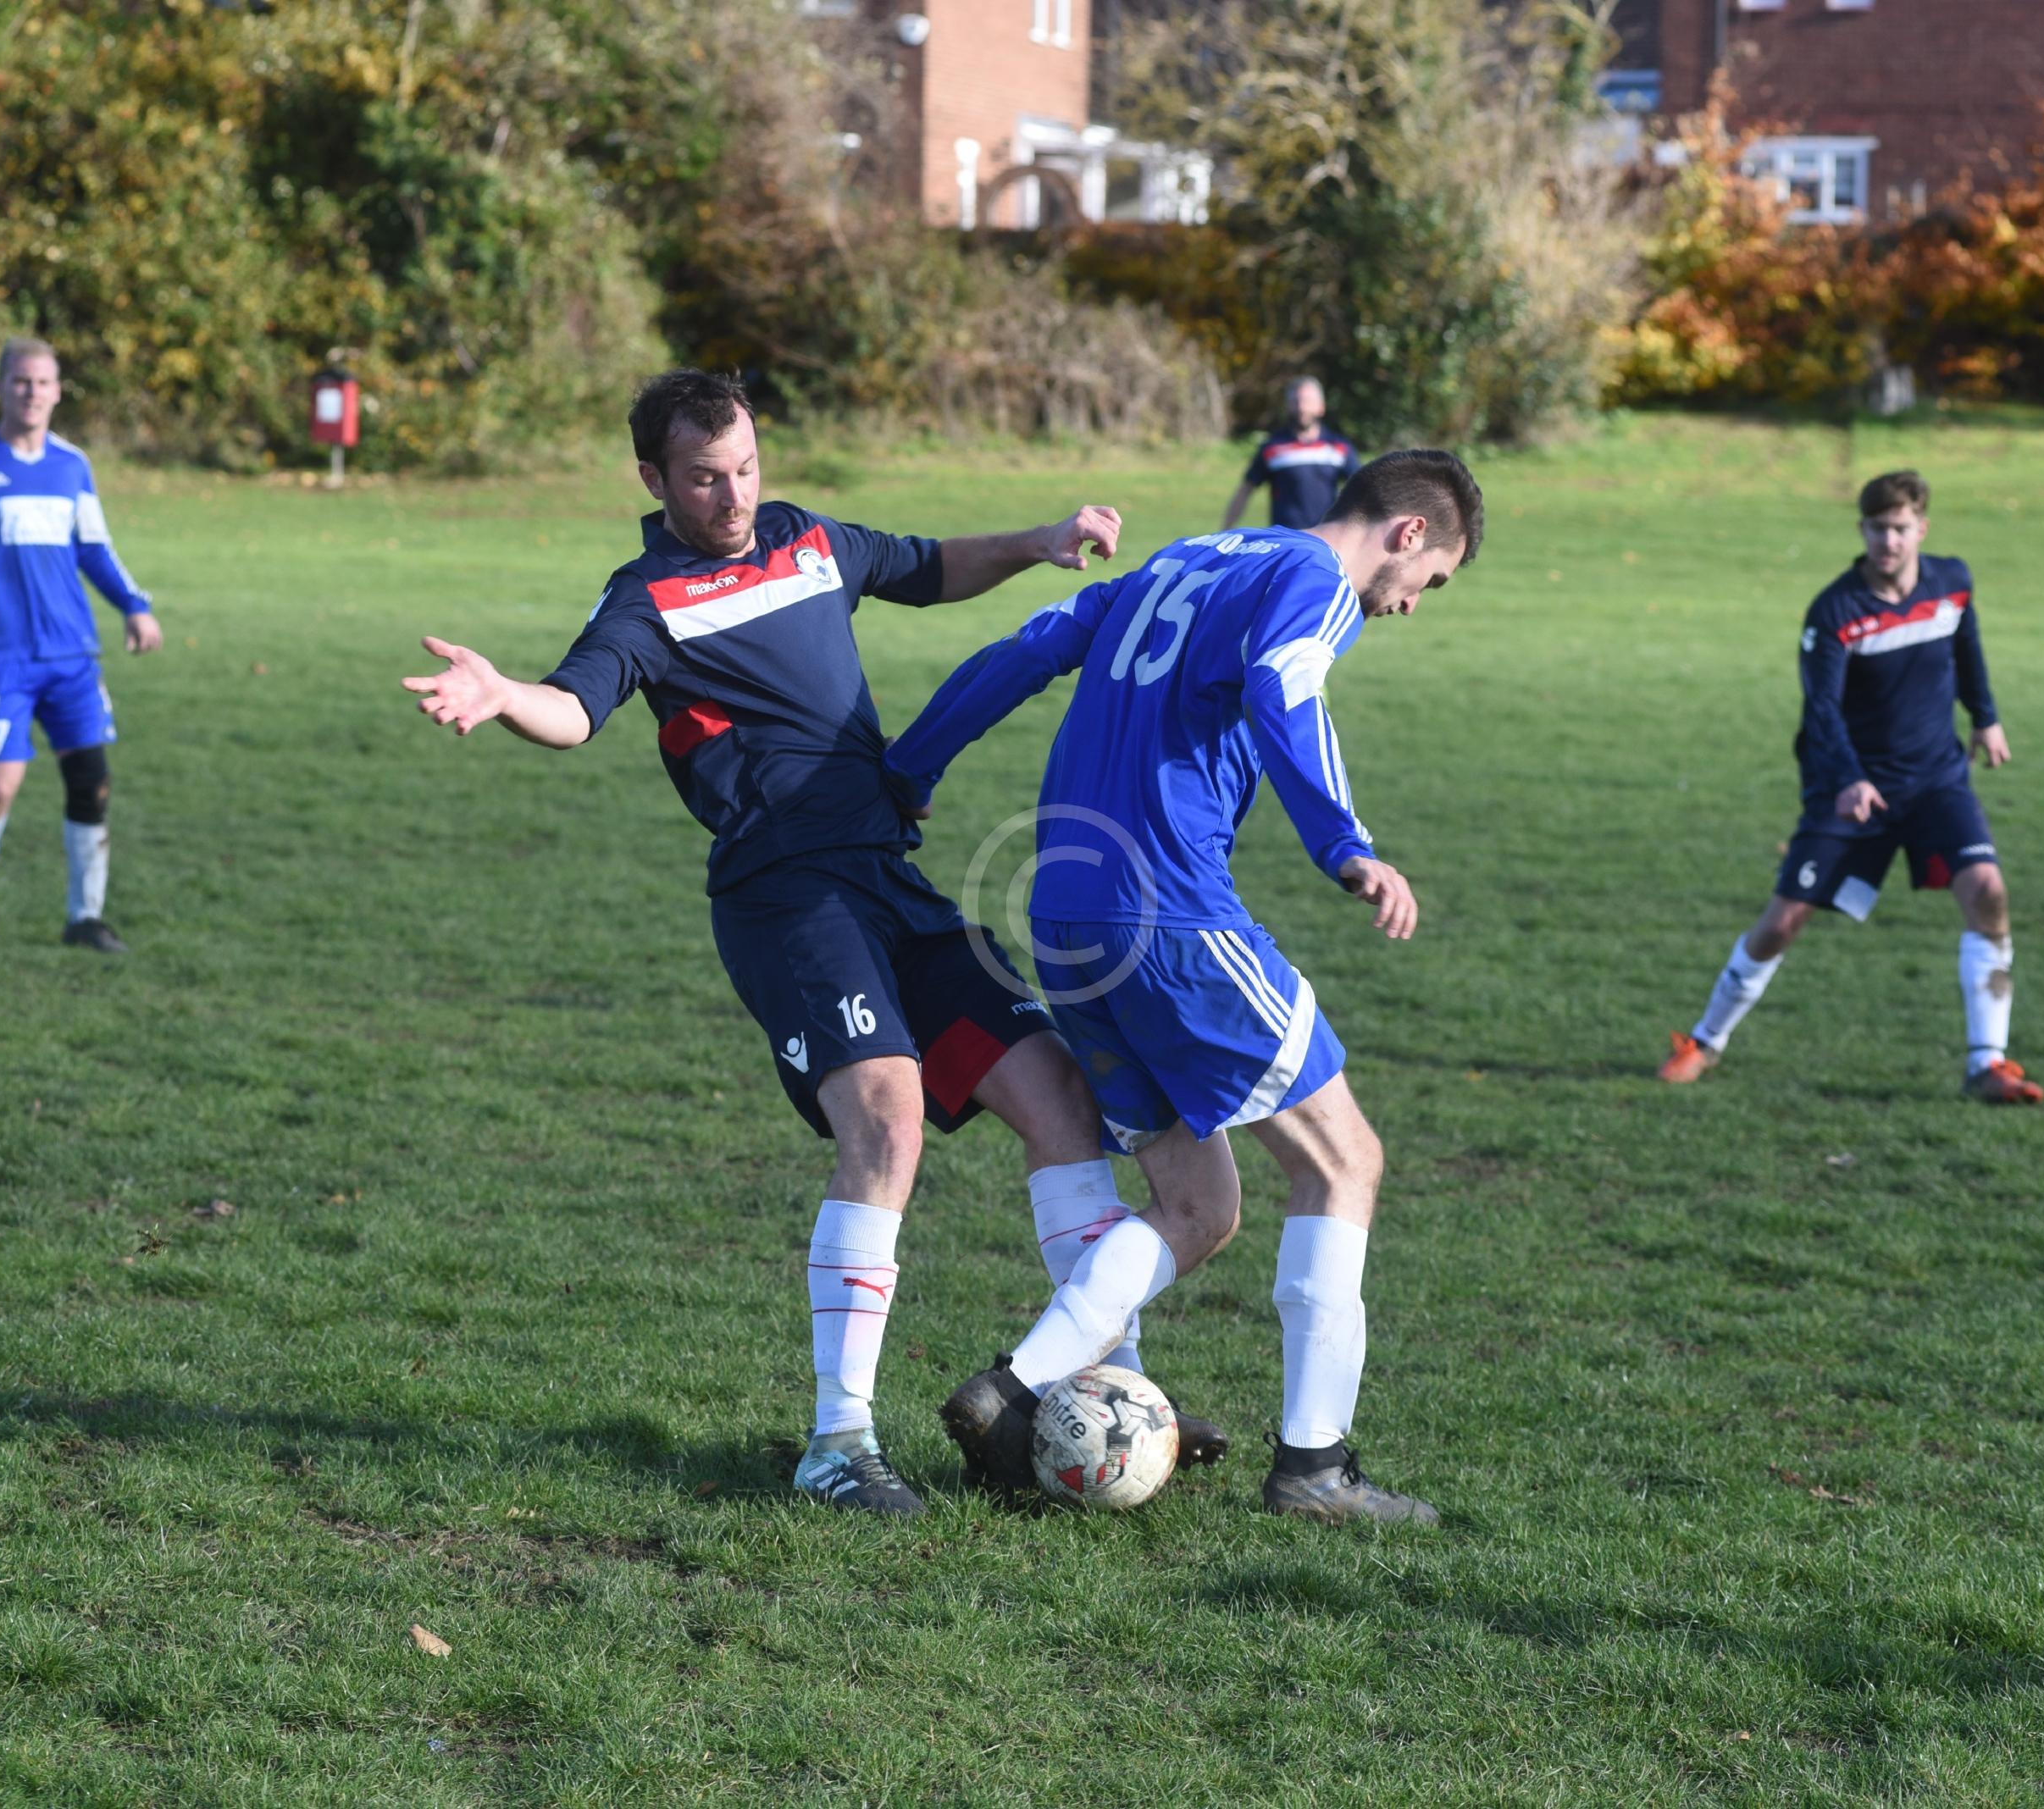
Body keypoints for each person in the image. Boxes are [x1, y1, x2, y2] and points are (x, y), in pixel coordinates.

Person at [401, 368, 1227, 1518]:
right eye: (705, 477)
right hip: (785, 899)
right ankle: (839, 1443)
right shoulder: (646, 600)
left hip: (889, 880)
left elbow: (926, 567)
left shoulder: (808, 541)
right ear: (653, 479)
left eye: (745, 467)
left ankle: (1105, 1392)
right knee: (887, 1120)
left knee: (1058, 1100)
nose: (734, 494)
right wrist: (504, 695)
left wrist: (1041, 540)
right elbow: (577, 709)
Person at [884, 450, 1484, 1526]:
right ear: (1406, 533)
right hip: (1169, 915)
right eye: (1428, 581)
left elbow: (1026, 647)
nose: (1407, 605)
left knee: (1199, 1207)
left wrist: (911, 766)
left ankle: (1023, 1394)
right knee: (1343, 1162)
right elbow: (1284, 686)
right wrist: (1344, 844)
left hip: (1065, 917)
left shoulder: (1185, 558)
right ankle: (1312, 1469)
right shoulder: (1310, 578)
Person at [1657, 470, 2042, 1104]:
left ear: (1922, 528)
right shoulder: (1836, 610)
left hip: (1936, 781)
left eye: (1900, 528)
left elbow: (1967, 647)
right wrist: (1848, 778)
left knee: (1988, 893)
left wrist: (1986, 716)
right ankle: (1703, 1041)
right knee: (1783, 922)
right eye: (1877, 529)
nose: (1888, 541)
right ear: (1862, 530)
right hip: (1853, 789)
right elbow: (1821, 711)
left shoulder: (1952, 583)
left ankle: (1988, 1065)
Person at [0, 336, 162, 953]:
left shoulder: (72, 466)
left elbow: (95, 550)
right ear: (1, 387)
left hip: (72, 654)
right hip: (1, 655)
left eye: (43, 382)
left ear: (57, 391)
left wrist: (135, 606)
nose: (32, 392)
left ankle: (85, 919)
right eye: (21, 381)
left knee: (91, 780)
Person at [1220, 377, 1359, 533]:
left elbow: (1361, 490)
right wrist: (1226, 531)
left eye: (1307, 401)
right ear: (1288, 406)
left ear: (1321, 407)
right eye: (1295, 401)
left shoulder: (1339, 447)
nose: (1302, 407)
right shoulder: (1272, 448)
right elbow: (1246, 489)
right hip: (1286, 538)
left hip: (1326, 536)